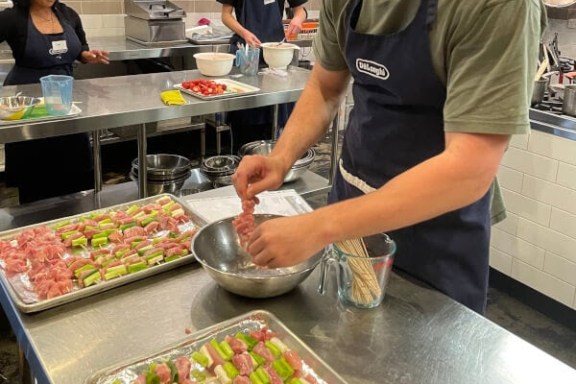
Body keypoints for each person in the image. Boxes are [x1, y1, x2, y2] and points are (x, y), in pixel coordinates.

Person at [232, 0, 547, 314]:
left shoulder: (495, 6)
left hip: (437, 232)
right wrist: (281, 157)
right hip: (351, 201)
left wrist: (319, 226)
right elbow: (325, 88)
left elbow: (470, 168)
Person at [0, 0, 109, 204]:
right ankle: (37, 221)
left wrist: (87, 56)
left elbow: (80, 48)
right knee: (34, 168)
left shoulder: (68, 13)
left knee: (73, 160)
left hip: (65, 97)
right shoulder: (12, 18)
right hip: (29, 100)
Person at [217, 0, 307, 152]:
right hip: (247, 54)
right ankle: (243, 157)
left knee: (276, 114)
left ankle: (273, 159)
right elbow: (226, 15)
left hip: (275, 55)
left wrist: (298, 18)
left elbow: (300, 10)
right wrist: (244, 32)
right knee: (245, 115)